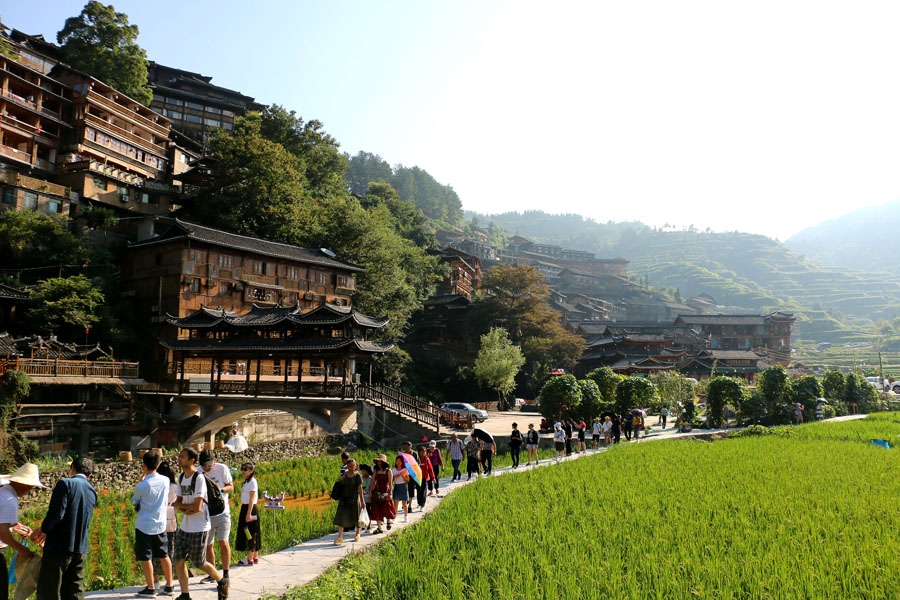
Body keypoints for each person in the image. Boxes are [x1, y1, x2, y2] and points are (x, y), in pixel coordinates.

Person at [34, 457, 96, 600]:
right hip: (80, 549)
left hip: (59, 547)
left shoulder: (65, 484)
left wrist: (44, 529)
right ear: (90, 475)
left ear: (72, 468)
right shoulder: (92, 490)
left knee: (49, 591)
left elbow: (57, 514)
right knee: (74, 591)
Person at [172, 447, 228, 600]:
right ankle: (185, 595)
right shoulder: (181, 477)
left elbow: (197, 507)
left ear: (191, 460)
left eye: (182, 457)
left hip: (199, 527)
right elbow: (177, 502)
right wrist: (184, 509)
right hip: (185, 526)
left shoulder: (199, 479)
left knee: (199, 563)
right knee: (178, 560)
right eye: (179, 456)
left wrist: (182, 507)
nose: (179, 459)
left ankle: (221, 581)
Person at [131, 450, 174, 597]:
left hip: (144, 525)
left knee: (146, 557)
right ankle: (169, 585)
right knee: (164, 555)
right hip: (160, 524)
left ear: (144, 466)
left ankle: (151, 588)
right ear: (158, 464)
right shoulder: (165, 480)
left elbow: (135, 501)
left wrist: (142, 480)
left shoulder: (142, 486)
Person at [0, 463, 44, 600]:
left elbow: (4, 522)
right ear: (25, 485)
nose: (30, 489)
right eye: (31, 486)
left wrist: (19, 528)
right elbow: (2, 532)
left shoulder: (2, 492)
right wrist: (22, 550)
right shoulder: (9, 500)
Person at [198, 450, 234, 584]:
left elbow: (231, 487)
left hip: (222, 513)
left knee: (223, 542)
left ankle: (226, 574)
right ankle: (212, 574)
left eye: (208, 464)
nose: (206, 468)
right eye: (203, 465)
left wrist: (221, 490)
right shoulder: (198, 472)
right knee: (208, 545)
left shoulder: (222, 468)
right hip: (206, 514)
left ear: (214, 460)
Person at [153, 462, 179, 584]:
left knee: (156, 551)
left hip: (158, 519)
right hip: (171, 518)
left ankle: (156, 581)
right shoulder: (175, 486)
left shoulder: (158, 485)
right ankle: (169, 582)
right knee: (170, 551)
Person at [235, 462, 260, 565]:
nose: (243, 471)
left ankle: (249, 559)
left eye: (245, 469)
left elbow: (252, 498)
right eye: (242, 469)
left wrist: (248, 513)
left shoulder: (252, 482)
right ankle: (254, 556)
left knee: (250, 533)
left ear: (251, 471)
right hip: (246, 508)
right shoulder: (247, 482)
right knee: (251, 531)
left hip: (250, 508)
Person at [369, 455, 395, 533]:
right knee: (377, 509)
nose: (379, 463)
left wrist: (390, 493)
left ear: (384, 463)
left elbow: (390, 483)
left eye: (381, 462)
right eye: (378, 462)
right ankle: (379, 527)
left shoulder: (388, 471)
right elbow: (373, 482)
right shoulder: (376, 471)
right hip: (378, 491)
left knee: (387, 507)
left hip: (385, 491)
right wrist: (371, 492)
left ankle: (388, 521)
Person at [391, 456, 410, 523]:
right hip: (396, 487)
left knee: (404, 504)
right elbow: (391, 480)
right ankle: (395, 517)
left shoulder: (405, 470)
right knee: (395, 503)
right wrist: (394, 477)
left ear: (402, 462)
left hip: (403, 486)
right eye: (397, 461)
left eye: (400, 461)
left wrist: (403, 476)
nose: (398, 462)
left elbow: (408, 480)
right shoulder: (393, 470)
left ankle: (406, 516)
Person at [359, 464, 373, 530]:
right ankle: (363, 523)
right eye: (362, 470)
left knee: (368, 511)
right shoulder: (360, 478)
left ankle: (369, 523)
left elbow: (372, 487)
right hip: (362, 498)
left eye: (365, 470)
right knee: (362, 511)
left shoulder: (371, 479)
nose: (363, 472)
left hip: (368, 497)